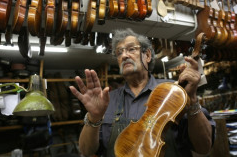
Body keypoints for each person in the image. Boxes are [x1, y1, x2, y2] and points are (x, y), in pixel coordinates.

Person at [69, 28, 216, 157]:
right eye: (119, 52)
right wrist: (94, 118)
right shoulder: (108, 100)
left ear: (147, 55)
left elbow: (204, 148)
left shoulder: (175, 92)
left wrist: (193, 101)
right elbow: (86, 151)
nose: (124, 55)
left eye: (131, 49)